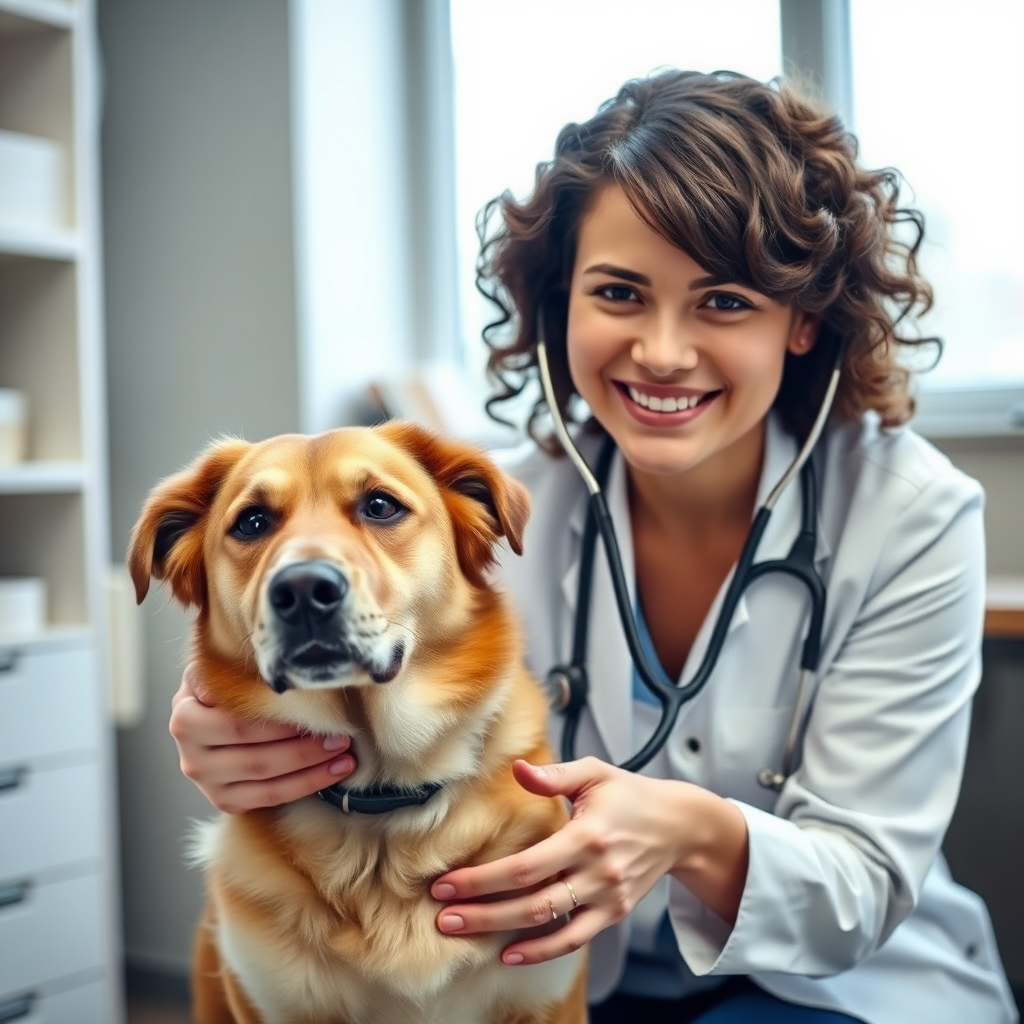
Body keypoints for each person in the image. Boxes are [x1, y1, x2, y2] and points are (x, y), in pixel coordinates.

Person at [167, 70, 1018, 1023]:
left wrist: (689, 833)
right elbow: (316, 629)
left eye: (724, 301)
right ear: (559, 299)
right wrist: (215, 724)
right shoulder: (472, 514)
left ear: (803, 317)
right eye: (619, 292)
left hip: (830, 982)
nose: (661, 351)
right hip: (555, 973)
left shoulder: (914, 515)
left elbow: (861, 881)